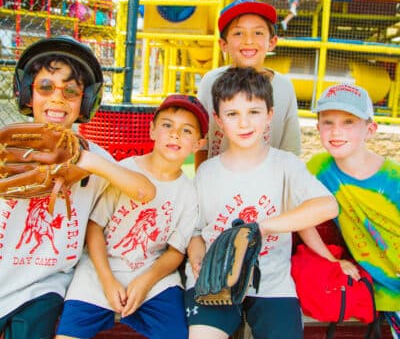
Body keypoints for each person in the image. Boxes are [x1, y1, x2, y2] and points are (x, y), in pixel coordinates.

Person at [184, 67, 358, 339]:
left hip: (271, 283)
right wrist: (196, 259)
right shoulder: (207, 172)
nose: (244, 123)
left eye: (254, 112)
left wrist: (261, 228)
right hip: (215, 281)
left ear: (270, 115)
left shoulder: (284, 164)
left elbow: (326, 206)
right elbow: (196, 232)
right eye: (232, 114)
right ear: (218, 119)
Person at [0, 36, 155, 339]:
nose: (58, 98)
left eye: (71, 91)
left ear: (85, 101)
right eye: (46, 87)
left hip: (42, 287)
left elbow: (144, 191)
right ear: (28, 94)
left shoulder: (93, 155)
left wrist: (84, 160)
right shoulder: (7, 147)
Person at [55, 94, 209, 339]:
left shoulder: (189, 193)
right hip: (100, 267)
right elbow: (94, 228)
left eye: (186, 130)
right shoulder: (125, 170)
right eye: (167, 125)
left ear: (199, 144)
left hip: (151, 272)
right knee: (67, 334)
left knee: (177, 333)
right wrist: (107, 280)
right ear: (151, 130)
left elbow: (175, 251)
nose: (175, 134)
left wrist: (146, 281)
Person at [307, 83, 400, 338]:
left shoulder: (394, 179)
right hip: (383, 292)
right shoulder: (319, 168)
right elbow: (301, 216)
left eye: (349, 121)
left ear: (370, 129)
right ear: (318, 128)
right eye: (328, 122)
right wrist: (329, 258)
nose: (336, 130)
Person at [196, 0, 301, 171]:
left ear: (272, 42)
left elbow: (290, 150)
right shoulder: (211, 82)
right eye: (238, 33)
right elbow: (203, 143)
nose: (248, 40)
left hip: (266, 190)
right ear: (224, 44)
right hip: (217, 187)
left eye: (258, 32)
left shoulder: (284, 87)